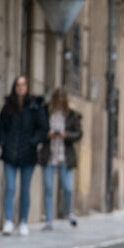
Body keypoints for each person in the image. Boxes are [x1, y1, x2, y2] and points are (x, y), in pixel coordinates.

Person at [0, 75, 48, 236]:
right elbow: (0, 127)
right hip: (10, 153)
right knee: (10, 187)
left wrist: (33, 142)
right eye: (18, 85)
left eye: (23, 85)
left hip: (28, 155)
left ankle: (23, 221)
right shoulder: (8, 107)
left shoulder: (34, 107)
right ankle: (9, 221)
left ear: (27, 87)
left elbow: (43, 128)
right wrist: (4, 143)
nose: (20, 87)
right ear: (14, 87)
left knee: (25, 189)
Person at [37, 87, 83, 230]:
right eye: (58, 101)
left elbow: (79, 134)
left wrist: (65, 135)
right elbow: (38, 129)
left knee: (68, 188)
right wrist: (47, 134)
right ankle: (49, 220)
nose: (59, 104)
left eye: (62, 102)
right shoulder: (45, 112)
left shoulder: (72, 115)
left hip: (65, 157)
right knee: (49, 188)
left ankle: (69, 212)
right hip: (49, 156)